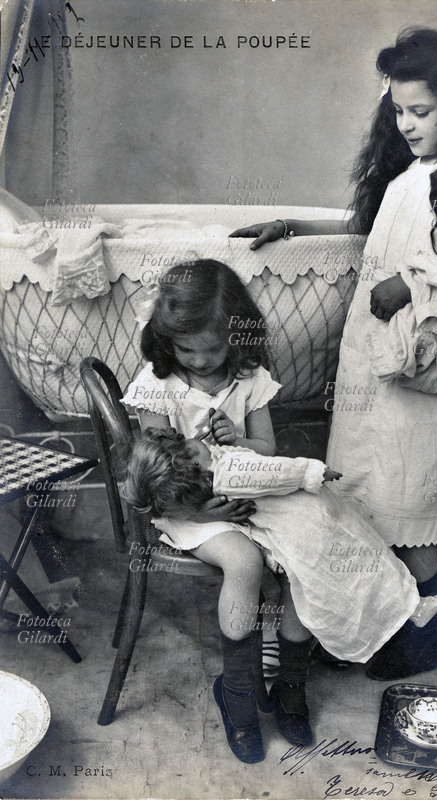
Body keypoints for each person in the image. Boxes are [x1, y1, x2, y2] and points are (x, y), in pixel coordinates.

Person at [229, 28, 437, 680]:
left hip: (428, 377)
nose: (407, 124)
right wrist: (295, 227)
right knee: (368, 504)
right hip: (376, 371)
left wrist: (412, 282)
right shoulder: (412, 174)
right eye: (399, 110)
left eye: (423, 112)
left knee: (413, 515)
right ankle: (376, 624)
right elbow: (371, 227)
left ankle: (421, 642)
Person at [123, 258, 317, 763]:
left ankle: (291, 687)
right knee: (244, 562)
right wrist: (206, 511)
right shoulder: (156, 384)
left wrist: (242, 440)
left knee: (307, 557)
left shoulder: (250, 377)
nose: (202, 361)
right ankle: (237, 698)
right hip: (188, 510)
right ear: (167, 342)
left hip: (249, 499)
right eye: (187, 350)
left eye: (214, 349)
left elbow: (269, 450)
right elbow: (154, 471)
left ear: (237, 336)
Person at [124, 427, 437, 664]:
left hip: (309, 519)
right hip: (300, 522)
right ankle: (403, 609)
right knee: (353, 564)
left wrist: (313, 472)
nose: (197, 441)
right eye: (193, 446)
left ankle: (403, 610)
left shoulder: (226, 470)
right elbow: (269, 478)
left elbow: (272, 470)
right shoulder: (217, 466)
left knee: (348, 568)